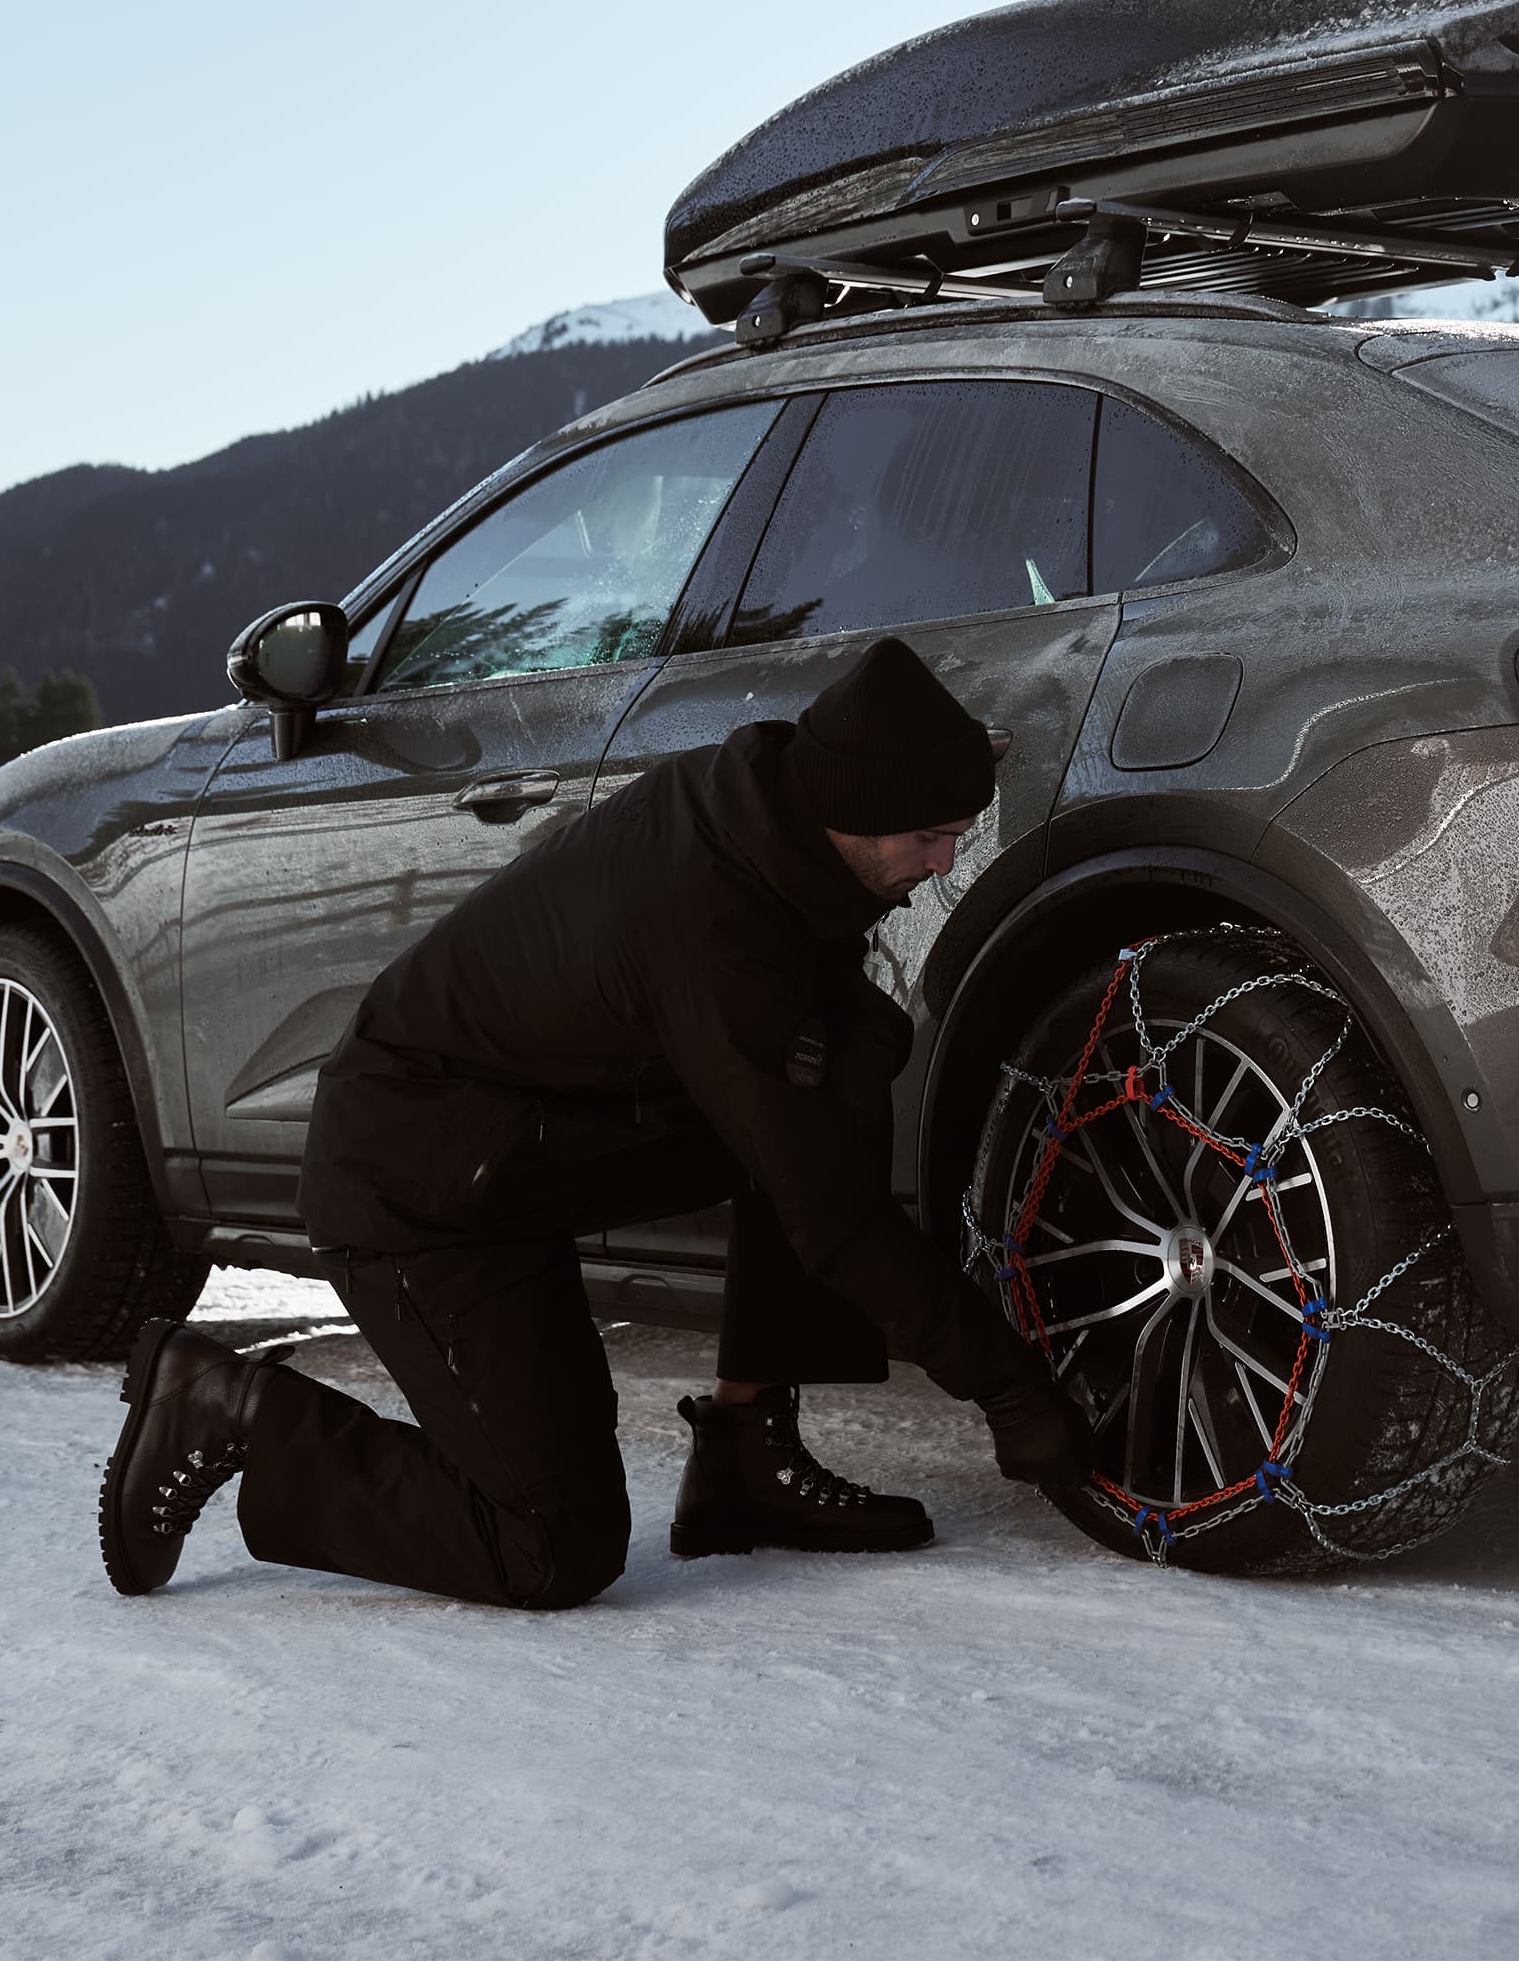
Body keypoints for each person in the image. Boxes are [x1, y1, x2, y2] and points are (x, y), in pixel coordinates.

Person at [98, 637, 1093, 1608]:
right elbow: (830, 1216)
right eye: (927, 836)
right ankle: (236, 1408)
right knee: (549, 1545)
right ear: (851, 808)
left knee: (814, 1095)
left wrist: (860, 1047)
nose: (946, 857)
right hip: (419, 1190)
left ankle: (743, 1451)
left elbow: (820, 1081)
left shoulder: (761, 823)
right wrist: (1009, 1387)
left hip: (527, 1149)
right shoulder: (709, 915)